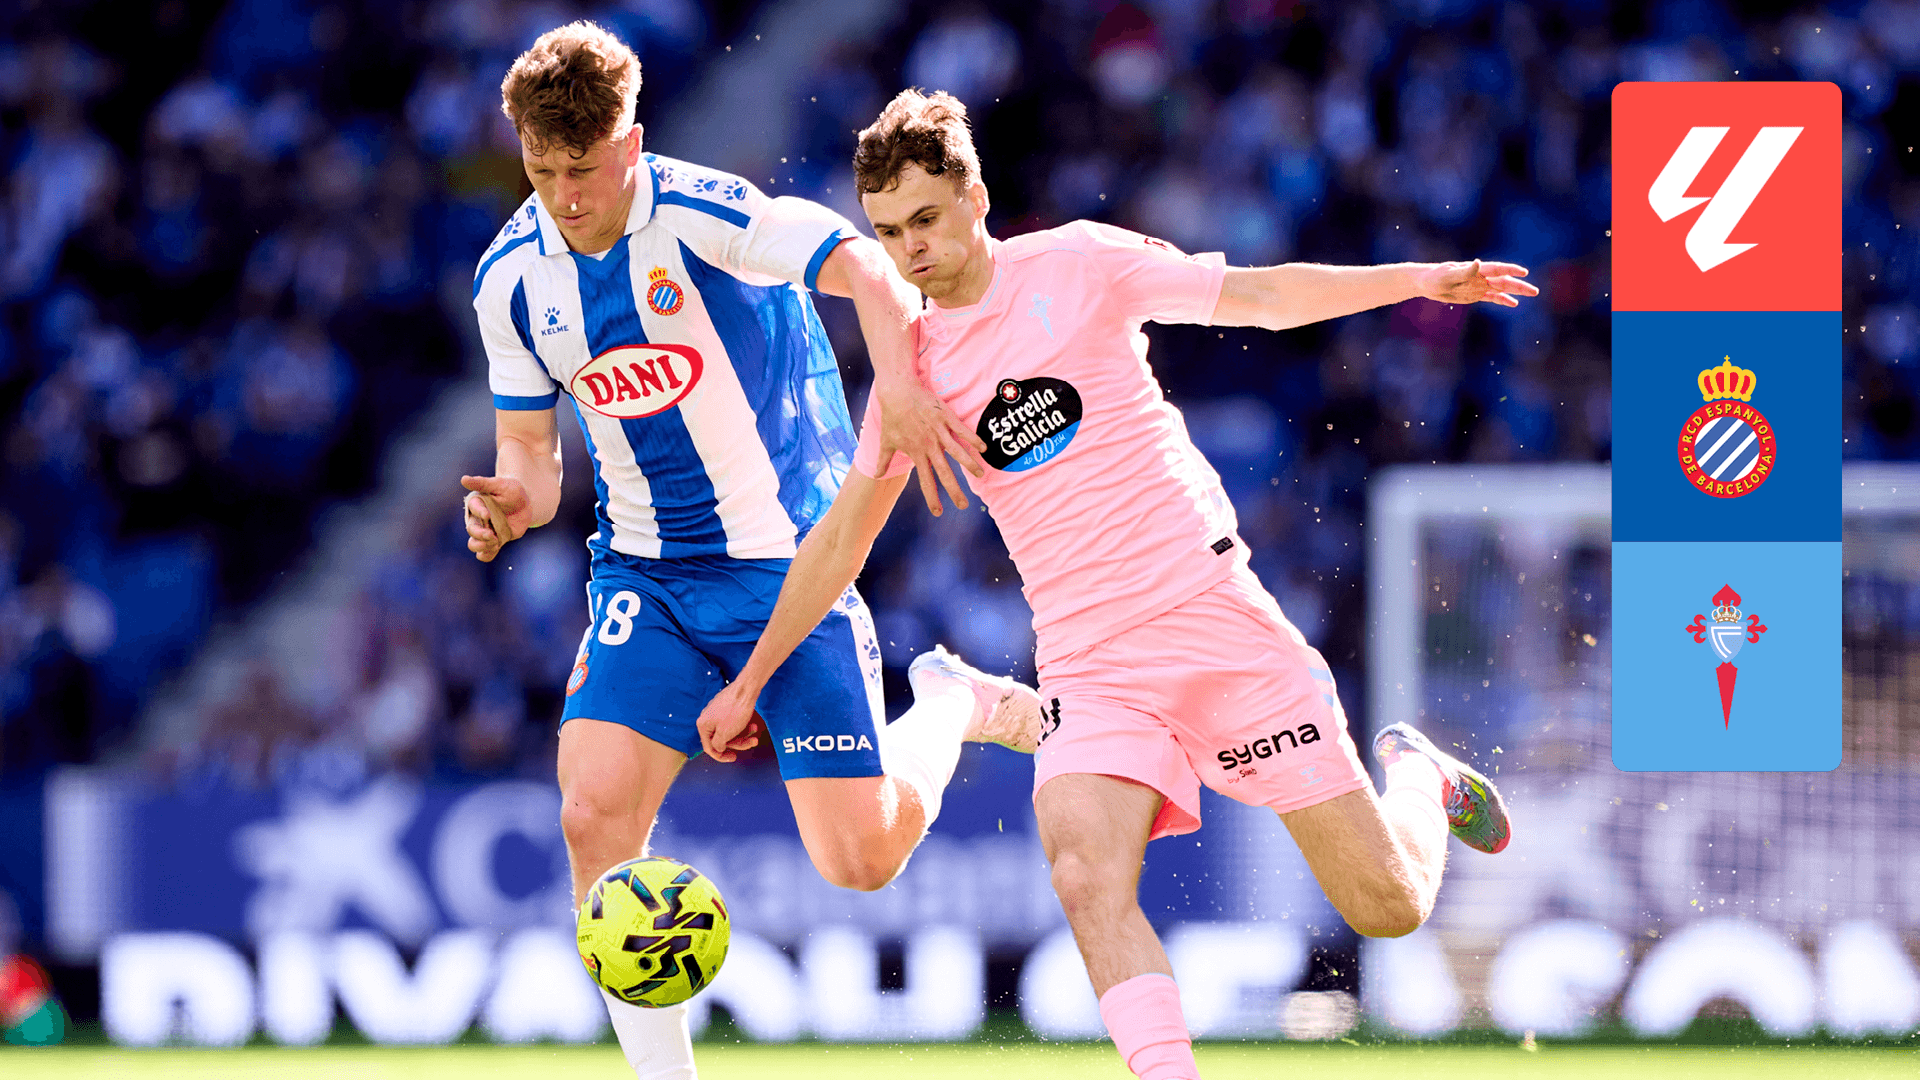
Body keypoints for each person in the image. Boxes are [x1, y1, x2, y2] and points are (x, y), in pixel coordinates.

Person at [696, 89, 1536, 1080]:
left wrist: (1418, 281)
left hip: (1211, 618)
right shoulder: (910, 379)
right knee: (1084, 873)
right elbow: (840, 542)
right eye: (887, 233)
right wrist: (750, 680)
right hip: (1090, 663)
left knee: (1386, 907)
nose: (910, 249)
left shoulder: (1079, 264)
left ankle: (1420, 777)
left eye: (925, 218)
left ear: (976, 198)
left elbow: (1261, 297)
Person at [460, 30, 1036, 1080]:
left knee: (860, 859)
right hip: (646, 576)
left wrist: (902, 386)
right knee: (592, 814)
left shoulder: (701, 212)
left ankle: (952, 702)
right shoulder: (509, 279)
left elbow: (861, 263)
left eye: (582, 168)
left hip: (788, 567)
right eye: (540, 171)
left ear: (631, 144)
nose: (563, 196)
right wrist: (512, 504)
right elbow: (531, 457)